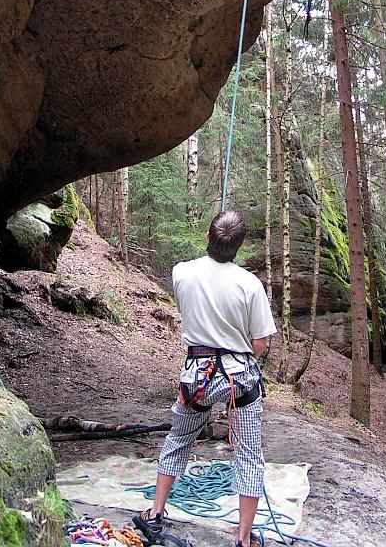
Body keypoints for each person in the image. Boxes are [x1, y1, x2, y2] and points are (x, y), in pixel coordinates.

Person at [133, 210, 277, 547]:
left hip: (196, 375)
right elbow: (260, 345)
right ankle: (243, 537)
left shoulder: (181, 272)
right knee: (249, 454)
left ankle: (155, 513)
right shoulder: (250, 285)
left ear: (207, 237)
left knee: (178, 440)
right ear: (239, 247)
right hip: (238, 378)